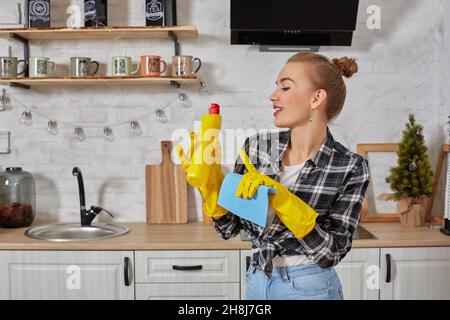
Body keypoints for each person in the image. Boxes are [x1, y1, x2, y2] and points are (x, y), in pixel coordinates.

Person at [176, 51, 370, 300]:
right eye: (276, 87)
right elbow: (229, 229)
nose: (273, 96)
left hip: (310, 287)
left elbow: (331, 254)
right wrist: (211, 188)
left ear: (317, 98)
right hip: (258, 279)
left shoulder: (349, 166)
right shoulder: (256, 148)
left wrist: (285, 202)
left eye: (285, 87)